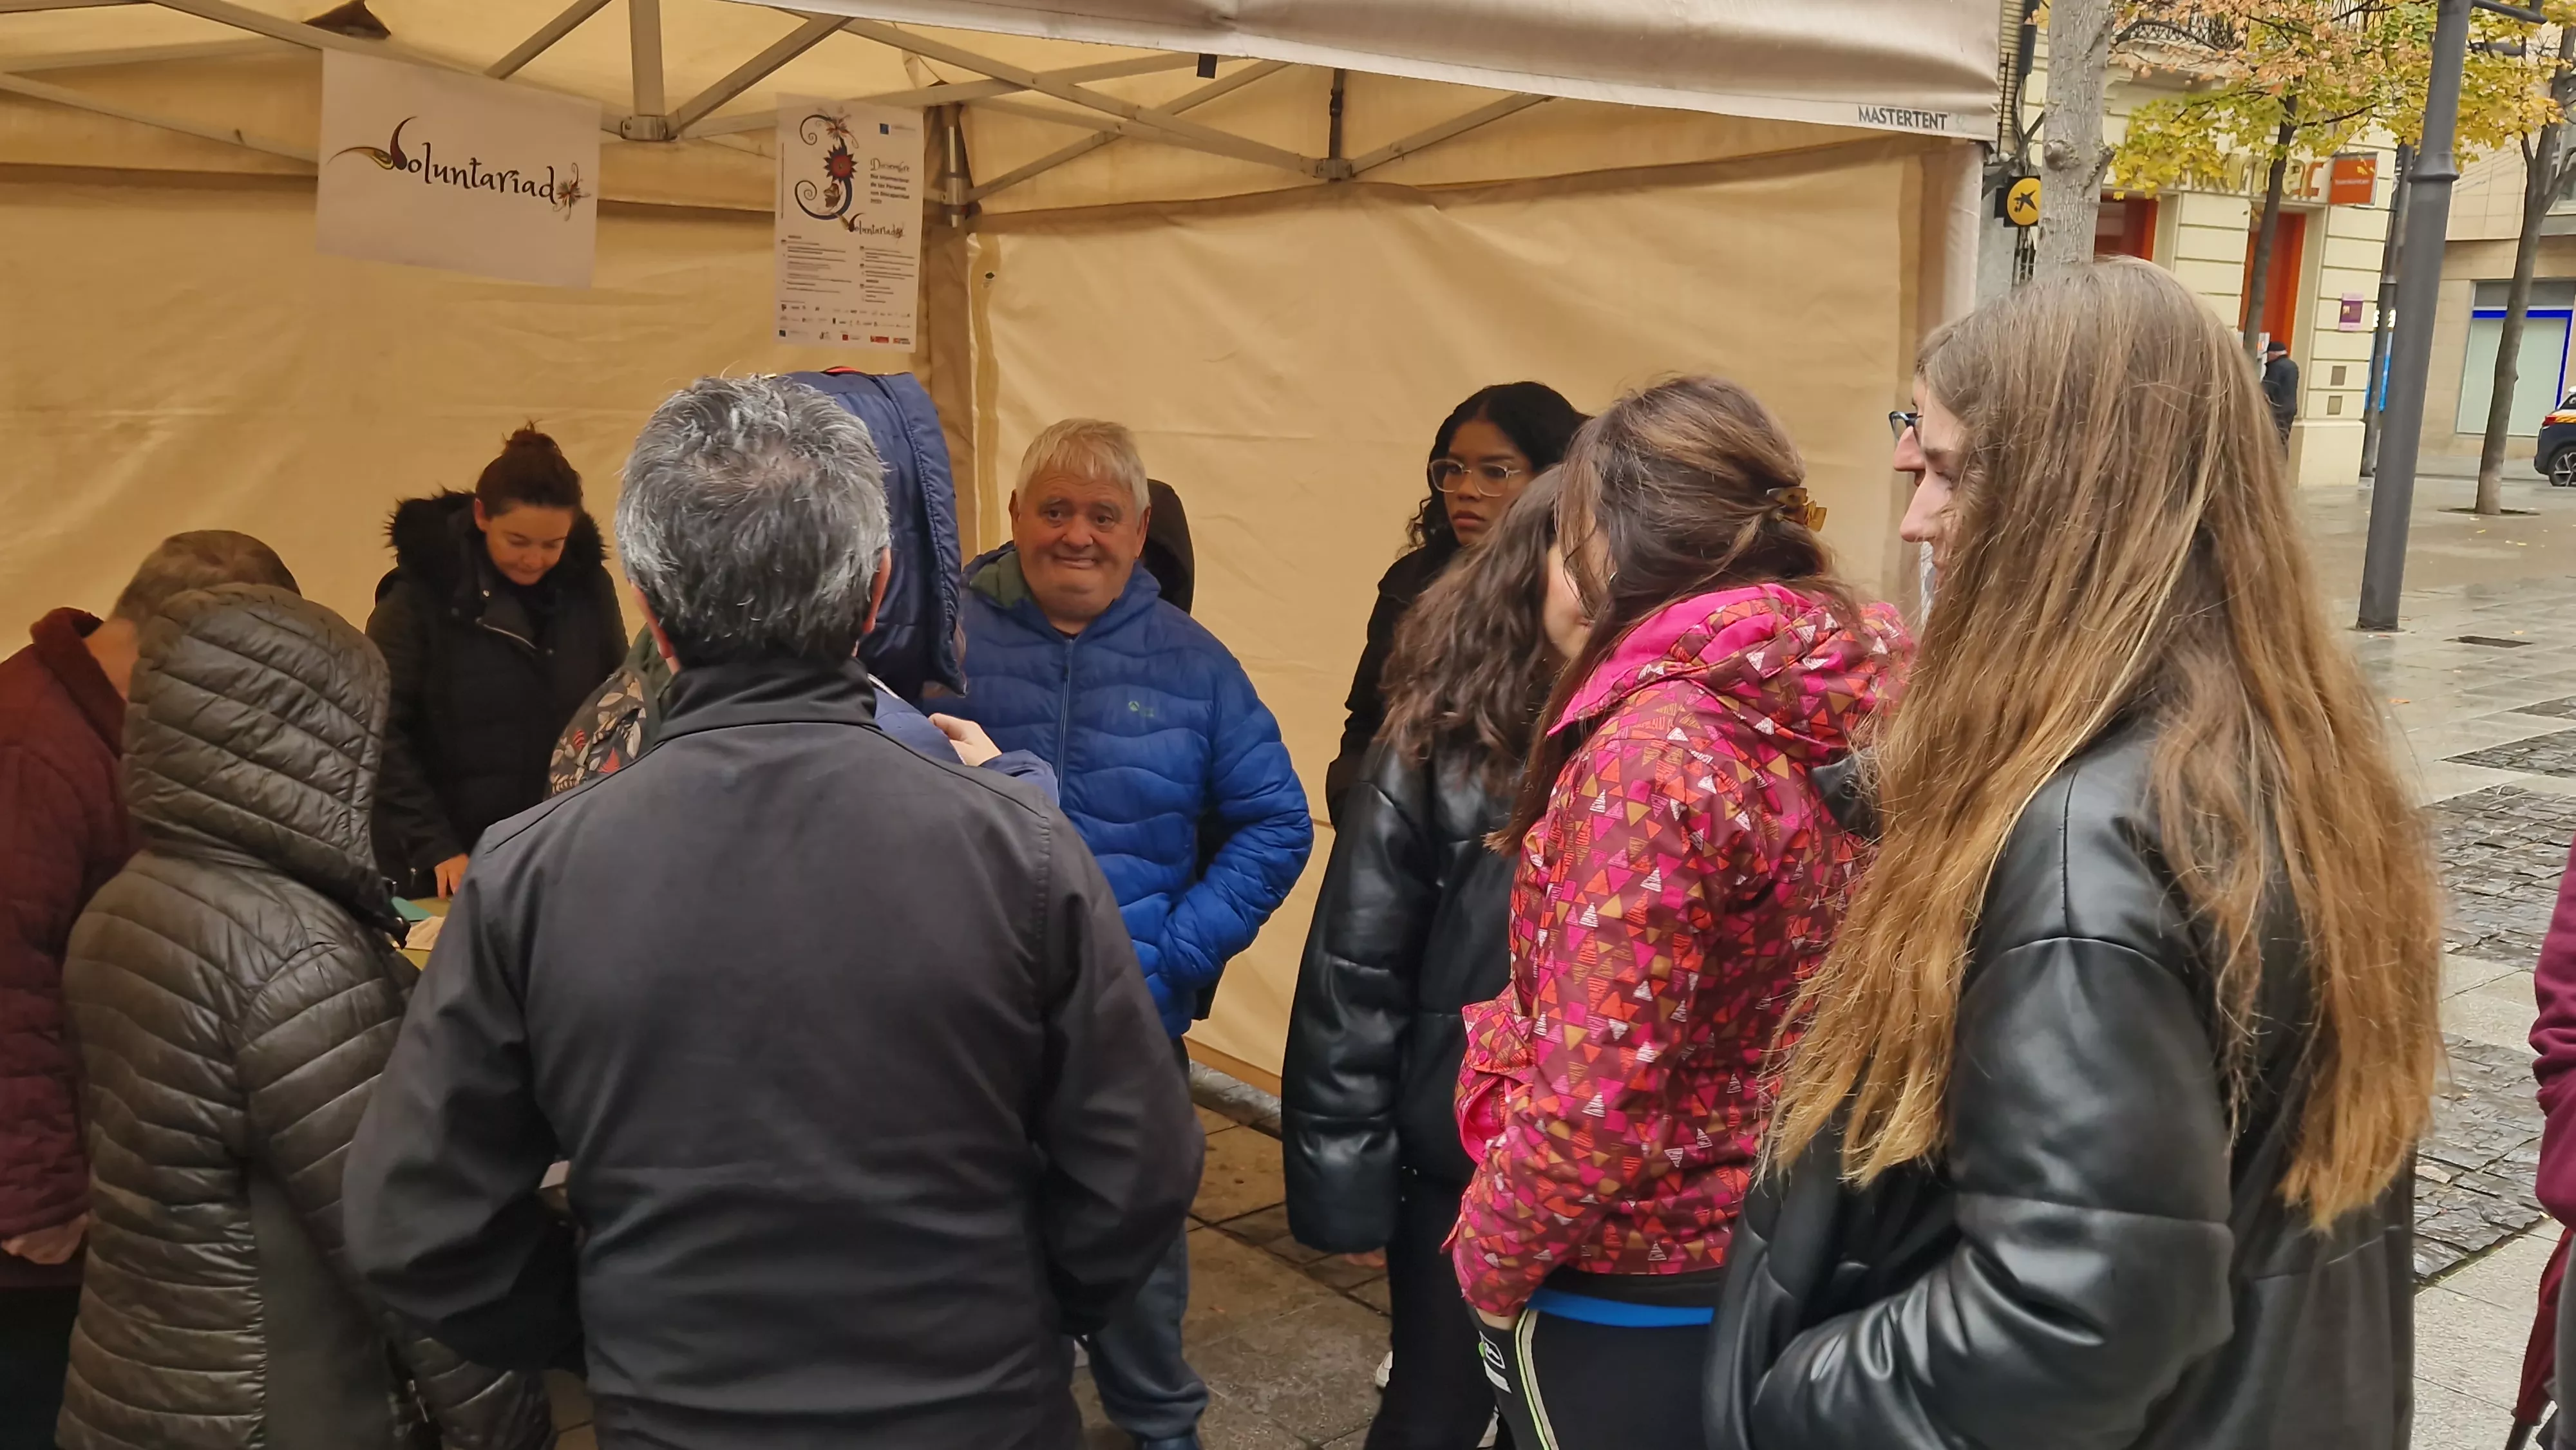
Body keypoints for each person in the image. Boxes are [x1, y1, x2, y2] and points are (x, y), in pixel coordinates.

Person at [344, 375, 1200, 1449]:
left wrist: (614, 1324)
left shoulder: (530, 873)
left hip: (682, 1411)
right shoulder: (1018, 848)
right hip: (972, 1402)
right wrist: (1019, 1306)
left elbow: (417, 1226)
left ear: (648, 610)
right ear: (880, 584)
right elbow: (1142, 1164)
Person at [1705, 261, 2441, 1449]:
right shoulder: (2280, 754)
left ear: (2067, 497)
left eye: (1949, 470)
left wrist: (1803, 1397)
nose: (1917, 520)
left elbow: (2077, 1310)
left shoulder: (2082, 837)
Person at [1452, 379, 1906, 1450]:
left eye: (1570, 533)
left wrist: (1487, 1260)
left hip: (1636, 1271)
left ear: (1619, 539)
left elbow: (1590, 1106)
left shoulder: (1655, 751)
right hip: (1794, 1227)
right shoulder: (1845, 691)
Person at [56, 582, 551, 1450]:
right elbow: (403, 1248)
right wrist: (511, 1427)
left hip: (149, 1389)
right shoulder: (293, 954)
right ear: (317, 743)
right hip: (292, 1406)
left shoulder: (123, 906)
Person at [949, 418, 1313, 1450]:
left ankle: (1161, 1429)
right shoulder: (947, 639)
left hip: (1126, 1022)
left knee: (1139, 1241)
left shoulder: (1194, 663)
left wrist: (1175, 954)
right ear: (1015, 516)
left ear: (1140, 528)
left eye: (1102, 515)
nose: (1077, 535)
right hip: (966, 1024)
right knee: (979, 1243)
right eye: (1054, 509)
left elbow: (1276, 821)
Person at [1283, 471, 1581, 1450]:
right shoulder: (1434, 745)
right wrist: (1348, 1183)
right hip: (1454, 1166)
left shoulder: (1666, 749)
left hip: (1601, 1179)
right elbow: (1354, 974)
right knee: (1436, 1407)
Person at [0, 531, 297, 1450]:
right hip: (32, 1214)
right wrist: (38, 1200)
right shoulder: (32, 753)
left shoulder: (108, 725)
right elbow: (8, 987)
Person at [370, 426, 625, 898]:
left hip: (561, 846)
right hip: (449, 859)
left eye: (553, 545)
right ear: (483, 516)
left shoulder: (590, 590)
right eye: (518, 540)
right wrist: (434, 845)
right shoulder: (419, 598)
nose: (534, 559)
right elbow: (381, 730)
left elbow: (618, 705)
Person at [1328, 384, 1587, 822]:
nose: (1465, 489)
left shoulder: (1577, 593)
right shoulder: (1409, 582)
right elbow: (1366, 720)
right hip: (1396, 829)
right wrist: (1358, 803)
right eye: (1453, 469)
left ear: (1550, 479)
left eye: (1495, 472)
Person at [2262, 335, 2299, 442]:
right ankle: (2282, 459)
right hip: (2289, 409)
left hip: (2277, 410)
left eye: (2268, 355)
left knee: (2273, 441)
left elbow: (2267, 387)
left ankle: (2275, 459)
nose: (2268, 358)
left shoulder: (2276, 367)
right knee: (2283, 439)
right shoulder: (2293, 365)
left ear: (2273, 354)